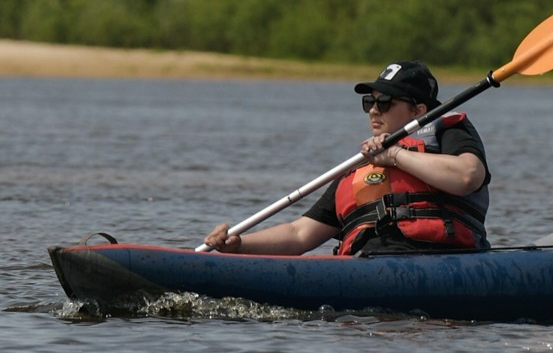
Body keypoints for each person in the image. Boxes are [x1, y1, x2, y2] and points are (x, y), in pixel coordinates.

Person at [206, 62, 491, 259]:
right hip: (368, 262)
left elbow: (467, 176)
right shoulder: (360, 167)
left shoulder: (448, 132)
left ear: (418, 110)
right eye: (370, 102)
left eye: (385, 103)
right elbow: (299, 234)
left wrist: (394, 155)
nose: (373, 111)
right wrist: (240, 245)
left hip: (442, 261)